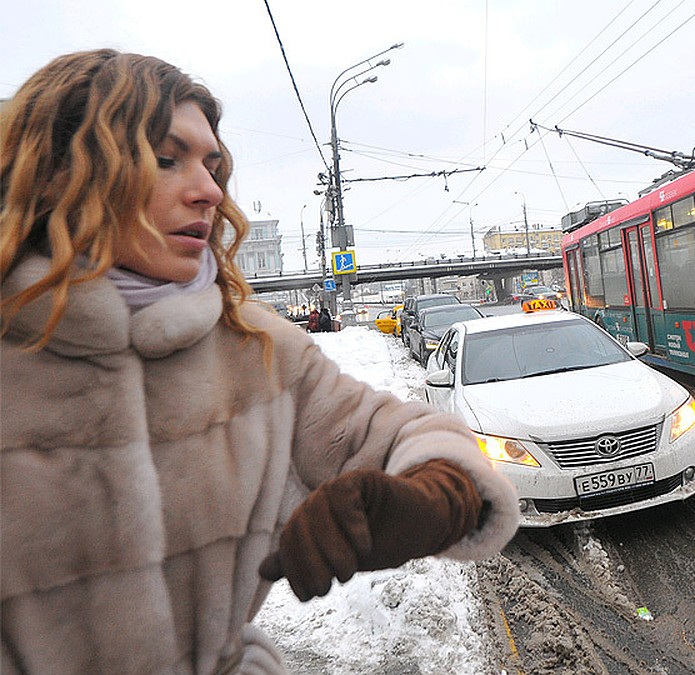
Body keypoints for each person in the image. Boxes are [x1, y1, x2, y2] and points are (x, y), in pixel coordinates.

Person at [0, 50, 518, 674]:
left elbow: (417, 436)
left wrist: (427, 501)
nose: (210, 192)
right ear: (63, 172)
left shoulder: (256, 351)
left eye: (212, 165)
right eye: (167, 160)